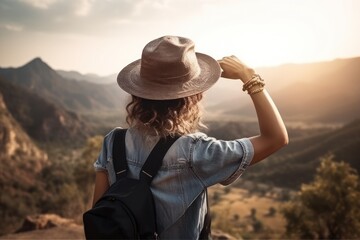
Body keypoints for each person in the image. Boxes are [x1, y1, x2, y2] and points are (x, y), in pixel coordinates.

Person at [92, 35, 288, 239]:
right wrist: (250, 78)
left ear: (138, 94)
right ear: (193, 97)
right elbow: (276, 138)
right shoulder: (196, 151)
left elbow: (101, 213)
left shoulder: (112, 141)